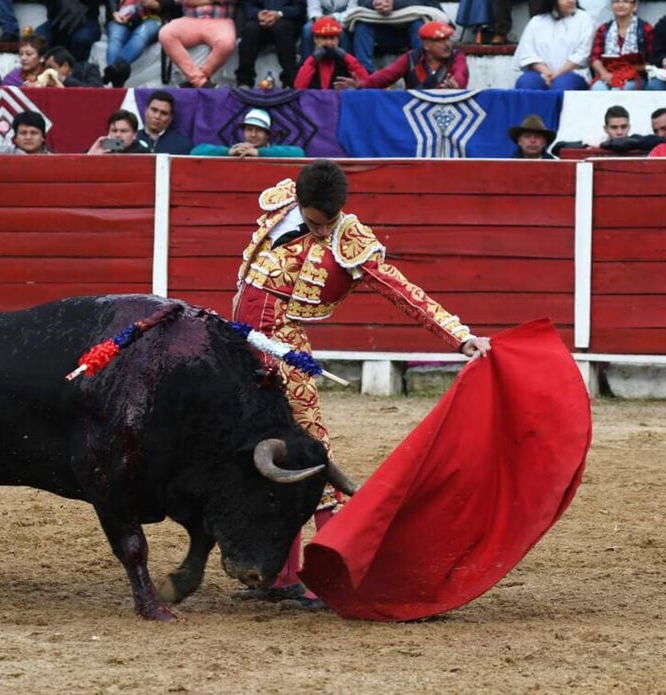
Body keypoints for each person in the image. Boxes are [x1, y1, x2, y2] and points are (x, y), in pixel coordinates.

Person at [232, 159, 490, 605]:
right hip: (239, 343)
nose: (319, 231)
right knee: (260, 455)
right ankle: (279, 576)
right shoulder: (280, 206)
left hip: (286, 348)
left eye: (326, 224)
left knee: (311, 451)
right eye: (313, 222)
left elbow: (403, 291)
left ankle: (343, 567)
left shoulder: (350, 242)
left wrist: (460, 337)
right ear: (299, 201)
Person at [335, 20, 466, 89]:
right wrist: (361, 84)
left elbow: (460, 74)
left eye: (448, 39)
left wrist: (456, 85)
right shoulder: (411, 58)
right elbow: (386, 75)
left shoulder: (456, 57)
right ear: (426, 45)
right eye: (441, 41)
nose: (448, 44)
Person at [512, 0, 596, 91]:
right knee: (526, 83)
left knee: (562, 85)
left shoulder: (585, 19)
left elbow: (583, 53)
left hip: (574, 73)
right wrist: (547, 73)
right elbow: (528, 54)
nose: (571, 1)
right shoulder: (537, 21)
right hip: (541, 73)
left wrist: (556, 75)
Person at [343, 0, 446, 73]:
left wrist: (395, 3)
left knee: (419, 25)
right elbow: (361, 3)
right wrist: (375, 3)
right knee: (362, 26)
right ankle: (364, 75)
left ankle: (421, 72)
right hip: (380, 32)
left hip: (408, 34)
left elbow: (431, 4)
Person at [158, 0, 238, 88]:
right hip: (190, 20)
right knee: (166, 34)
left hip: (220, 20)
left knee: (226, 43)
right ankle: (201, 82)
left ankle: (195, 80)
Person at [234, 0, 304, 88]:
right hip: (260, 19)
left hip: (286, 19)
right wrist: (258, 14)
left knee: (281, 28)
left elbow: (299, 9)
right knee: (251, 30)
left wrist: (278, 14)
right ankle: (244, 81)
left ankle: (290, 81)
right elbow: (248, 6)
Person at [588, 0, 653, 91]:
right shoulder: (604, 29)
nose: (620, 5)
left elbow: (652, 61)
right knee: (598, 88)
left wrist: (625, 71)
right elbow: (595, 58)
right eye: (616, 1)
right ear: (611, 5)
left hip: (635, 76)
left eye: (626, 1)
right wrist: (604, 73)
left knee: (618, 89)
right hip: (608, 74)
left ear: (634, 6)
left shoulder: (645, 29)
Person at [190, 108, 305, 157]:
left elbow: (299, 153)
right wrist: (228, 152)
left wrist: (258, 153)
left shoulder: (274, 150)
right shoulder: (238, 149)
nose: (253, 134)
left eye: (259, 130)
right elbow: (195, 152)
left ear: (267, 134)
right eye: (249, 129)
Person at [294, 16, 369, 89]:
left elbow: (366, 83)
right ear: (315, 39)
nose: (329, 42)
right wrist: (312, 60)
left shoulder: (346, 62)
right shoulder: (309, 63)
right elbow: (299, 87)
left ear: (338, 40)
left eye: (332, 38)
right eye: (324, 38)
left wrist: (346, 57)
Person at [103, 0, 162, 86]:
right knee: (115, 38)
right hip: (121, 17)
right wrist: (114, 12)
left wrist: (157, 5)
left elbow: (172, 4)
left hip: (152, 19)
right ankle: (116, 77)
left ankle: (113, 72)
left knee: (141, 35)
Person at [137, 90, 193, 154]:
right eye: (154, 110)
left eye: (164, 113)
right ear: (146, 111)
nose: (157, 116)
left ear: (170, 118)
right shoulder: (131, 139)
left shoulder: (183, 146)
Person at [86, 109, 151, 154]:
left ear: (134, 134)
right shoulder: (102, 149)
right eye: (114, 130)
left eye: (123, 131)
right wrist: (91, 155)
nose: (118, 135)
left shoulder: (145, 154)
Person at [649, 16, 666, 90]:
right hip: (664, 74)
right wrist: (663, 59)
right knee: (655, 85)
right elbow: (656, 53)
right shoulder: (663, 24)